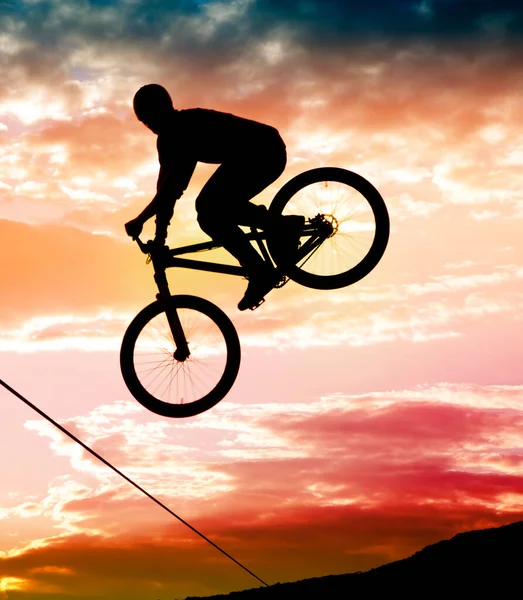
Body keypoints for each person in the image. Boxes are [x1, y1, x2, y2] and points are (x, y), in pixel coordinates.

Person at [125, 83, 302, 311]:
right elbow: (165, 194)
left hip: (264, 150)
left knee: (208, 209)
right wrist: (160, 239)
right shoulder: (166, 142)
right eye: (145, 123)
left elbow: (173, 188)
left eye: (150, 118)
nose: (150, 126)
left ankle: (260, 268)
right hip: (255, 153)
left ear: (164, 109)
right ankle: (282, 227)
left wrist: (141, 220)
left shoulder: (183, 128)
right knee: (213, 209)